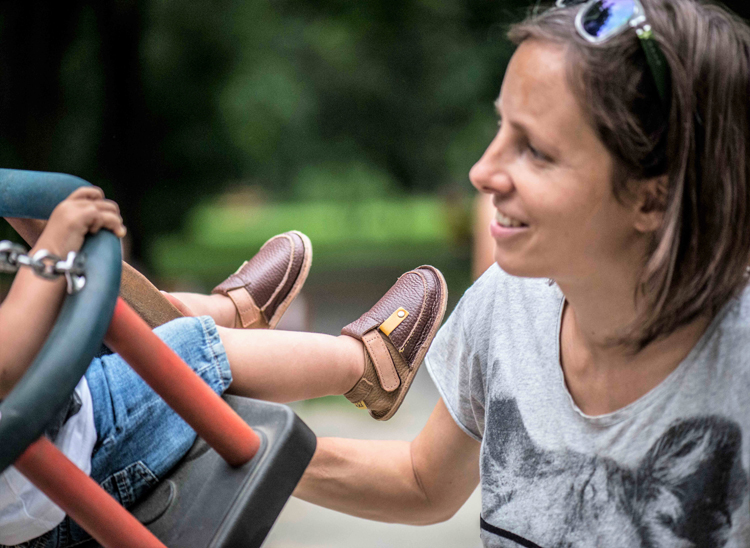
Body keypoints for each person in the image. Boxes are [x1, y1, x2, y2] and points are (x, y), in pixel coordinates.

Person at [292, 1, 750, 546]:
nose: (482, 172)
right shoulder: (509, 299)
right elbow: (423, 481)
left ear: (652, 198)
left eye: (534, 150)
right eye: (501, 126)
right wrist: (249, 446)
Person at [0, 187, 447, 547]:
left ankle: (226, 313)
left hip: (48, 434)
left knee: (95, 307)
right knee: (188, 349)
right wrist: (53, 244)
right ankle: (363, 369)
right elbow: (6, 366)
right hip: (62, 470)